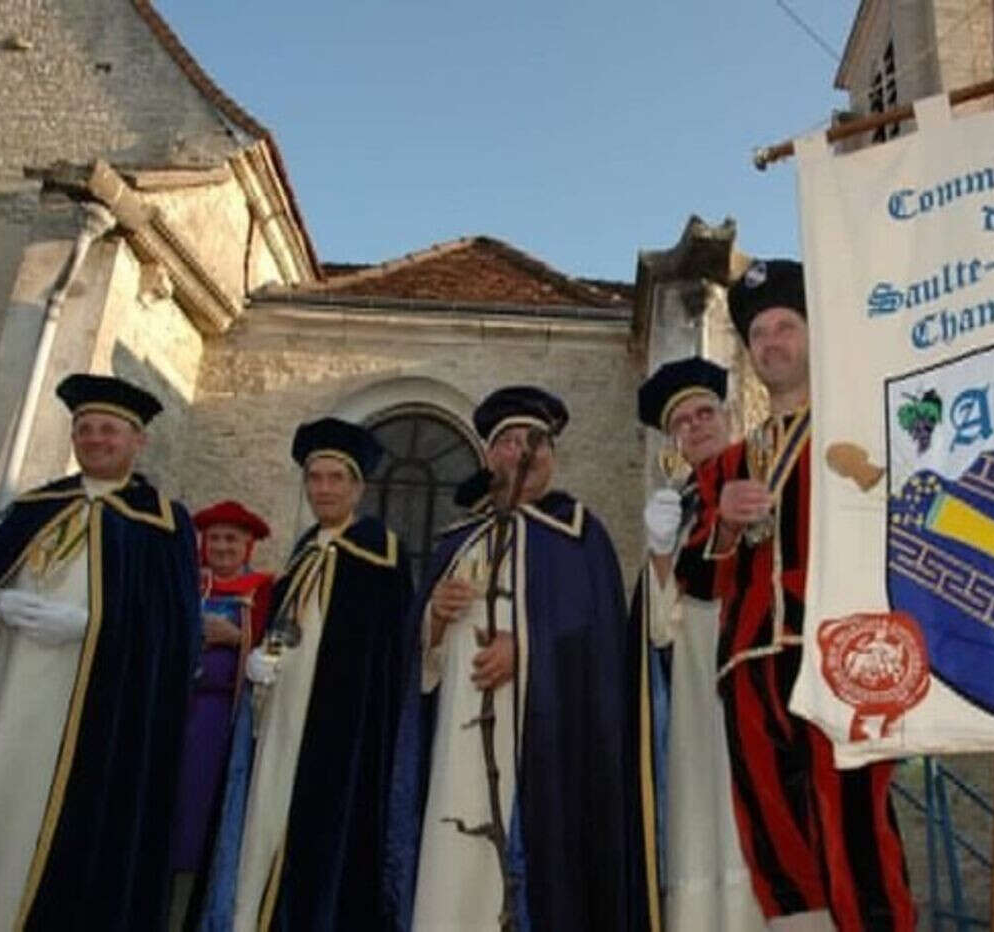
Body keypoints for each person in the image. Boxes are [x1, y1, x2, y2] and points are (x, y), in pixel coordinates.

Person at [701, 260, 917, 931]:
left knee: (855, 829)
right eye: (758, 333)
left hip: (839, 657)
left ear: (813, 335)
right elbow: (695, 578)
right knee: (772, 838)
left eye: (785, 326)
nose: (771, 343)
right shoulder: (726, 465)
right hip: (746, 664)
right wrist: (724, 527)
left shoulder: (859, 432)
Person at [387, 386, 648, 931]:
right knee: (451, 855)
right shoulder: (457, 540)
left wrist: (526, 651)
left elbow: (599, 642)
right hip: (455, 740)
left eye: (535, 443)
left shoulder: (580, 536)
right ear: (487, 457)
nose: (521, 452)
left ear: (552, 458)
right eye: (507, 442)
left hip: (544, 748)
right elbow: (415, 661)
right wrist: (433, 618)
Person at [0, 373, 200, 929]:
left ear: (137, 440)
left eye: (109, 430)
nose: (95, 439)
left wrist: (94, 626)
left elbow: (174, 638)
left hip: (94, 712)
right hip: (5, 694)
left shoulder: (162, 525)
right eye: (84, 429)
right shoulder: (35, 507)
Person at [200, 417, 413, 931]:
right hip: (278, 718)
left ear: (358, 487)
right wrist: (259, 655)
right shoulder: (302, 555)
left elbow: (381, 659)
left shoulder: (379, 556)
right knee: (262, 825)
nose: (323, 489)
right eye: (315, 478)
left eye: (335, 478)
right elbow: (284, 627)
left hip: (336, 731)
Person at [634, 357, 766, 931]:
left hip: (760, 681)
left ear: (728, 416)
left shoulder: (765, 479)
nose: (696, 426)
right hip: (694, 692)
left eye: (704, 413)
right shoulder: (676, 511)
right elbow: (659, 627)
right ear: (673, 443)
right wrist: (661, 551)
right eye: (682, 422)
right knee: (703, 823)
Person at [167, 501, 274, 926]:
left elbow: (275, 649)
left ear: (248, 545)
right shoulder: (184, 585)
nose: (223, 547)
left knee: (199, 822)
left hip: (219, 724)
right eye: (214, 538)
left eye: (232, 539)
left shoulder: (263, 590)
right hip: (172, 716)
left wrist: (236, 637)